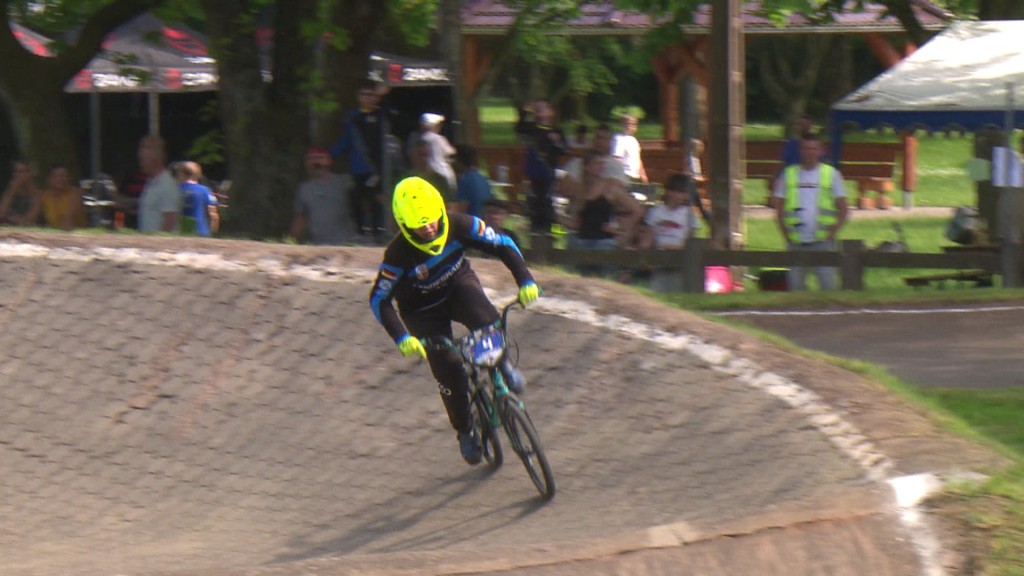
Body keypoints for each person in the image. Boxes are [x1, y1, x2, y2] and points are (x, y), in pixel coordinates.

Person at [369, 176, 540, 465]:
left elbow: (503, 244)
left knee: (488, 322)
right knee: (448, 368)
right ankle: (465, 430)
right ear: (404, 225)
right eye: (419, 225)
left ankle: (503, 367)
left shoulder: (461, 224)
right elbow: (379, 300)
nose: (429, 228)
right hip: (421, 311)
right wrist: (402, 338)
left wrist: (525, 280)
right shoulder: (397, 255)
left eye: (432, 220)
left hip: (457, 285)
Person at [771, 134, 849, 291]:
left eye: (814, 148)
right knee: (796, 290)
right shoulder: (789, 174)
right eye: (806, 148)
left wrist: (831, 234)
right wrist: (786, 234)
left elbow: (843, 208)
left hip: (822, 242)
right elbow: (778, 208)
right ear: (800, 151)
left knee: (828, 289)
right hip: (796, 242)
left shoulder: (831, 174)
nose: (810, 152)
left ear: (821, 151)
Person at [567, 150, 645, 278]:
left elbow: (637, 210)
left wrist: (623, 232)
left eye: (601, 164)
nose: (601, 167)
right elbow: (576, 222)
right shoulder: (581, 190)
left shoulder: (609, 187)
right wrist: (555, 216)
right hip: (582, 241)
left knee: (605, 280)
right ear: (587, 166)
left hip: (603, 242)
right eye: (597, 164)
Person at [331, 79, 392, 238]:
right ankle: (360, 232)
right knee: (356, 199)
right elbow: (346, 139)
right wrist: (330, 155)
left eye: (371, 95)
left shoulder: (381, 116)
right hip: (358, 168)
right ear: (358, 96)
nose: (368, 98)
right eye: (364, 95)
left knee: (376, 200)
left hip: (377, 168)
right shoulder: (352, 117)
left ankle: (379, 232)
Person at [638, 173, 700, 292]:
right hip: (658, 261)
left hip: (679, 261)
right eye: (680, 192)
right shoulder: (656, 212)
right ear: (669, 192)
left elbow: (689, 242)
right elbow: (648, 238)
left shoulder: (689, 215)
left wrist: (666, 247)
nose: (684, 196)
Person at [515, 99, 566, 233]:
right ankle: (535, 224)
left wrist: (557, 142)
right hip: (533, 171)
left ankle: (546, 225)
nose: (540, 110)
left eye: (544, 108)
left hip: (547, 171)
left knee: (546, 199)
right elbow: (520, 128)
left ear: (551, 112)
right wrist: (525, 111)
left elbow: (563, 150)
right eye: (538, 108)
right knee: (534, 199)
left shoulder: (556, 130)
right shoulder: (532, 129)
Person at [290, 146, 357, 245]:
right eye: (310, 158)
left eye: (320, 158)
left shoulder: (345, 182)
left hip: (347, 243)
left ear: (329, 160)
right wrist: (291, 241)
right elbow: (300, 217)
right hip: (319, 244)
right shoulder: (303, 188)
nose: (315, 162)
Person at [136, 135, 181, 233]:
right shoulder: (151, 183)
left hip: (160, 247)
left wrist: (157, 245)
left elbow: (169, 222)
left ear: (156, 157)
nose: (140, 163)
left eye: (143, 159)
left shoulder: (167, 185)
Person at [174, 161, 219, 237]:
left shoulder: (174, 191)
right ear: (198, 175)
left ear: (181, 174)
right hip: (201, 232)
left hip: (178, 233)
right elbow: (214, 215)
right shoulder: (206, 191)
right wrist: (213, 233)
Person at [415, 113, 456, 191]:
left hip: (424, 174)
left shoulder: (417, 139)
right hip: (441, 174)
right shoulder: (438, 139)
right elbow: (451, 153)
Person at [410, 138, 454, 209]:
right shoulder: (406, 180)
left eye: (426, 155)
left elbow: (448, 206)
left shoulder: (440, 180)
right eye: (420, 155)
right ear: (413, 156)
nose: (423, 159)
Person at [39, 164, 86, 230]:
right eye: (56, 176)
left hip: (75, 234)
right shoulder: (45, 196)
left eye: (64, 176)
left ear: (69, 178)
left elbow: (69, 220)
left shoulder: (75, 193)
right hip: (53, 233)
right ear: (49, 179)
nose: (61, 179)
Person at [452, 144, 493, 219]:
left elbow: (460, 211)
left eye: (453, 159)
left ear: (459, 160)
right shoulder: (483, 179)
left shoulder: (465, 180)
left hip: (471, 225)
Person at [0, 160, 42, 226]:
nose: (23, 175)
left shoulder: (37, 194)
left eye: (26, 171)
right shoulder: (8, 191)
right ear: (14, 174)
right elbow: (1, 215)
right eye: (20, 172)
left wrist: (10, 218)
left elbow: (30, 220)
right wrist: (11, 192)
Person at [611, 114, 648, 184]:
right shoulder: (619, 138)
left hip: (635, 175)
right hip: (625, 174)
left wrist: (643, 174)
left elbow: (638, 159)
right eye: (628, 124)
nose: (630, 127)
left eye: (634, 125)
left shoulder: (634, 140)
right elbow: (617, 158)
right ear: (622, 124)